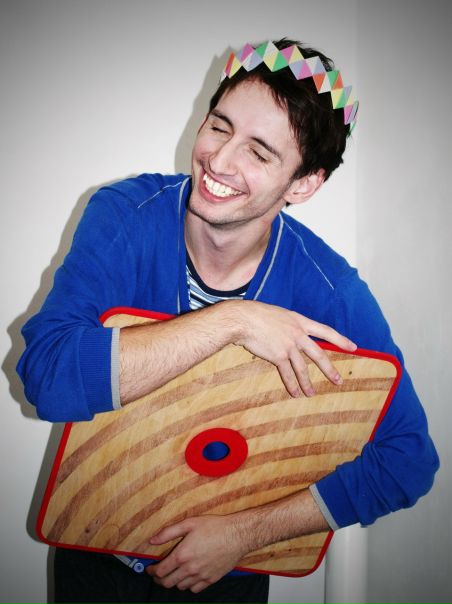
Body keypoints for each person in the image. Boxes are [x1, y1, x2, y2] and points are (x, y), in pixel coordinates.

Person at [17, 38, 439, 604]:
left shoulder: (331, 290)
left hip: (225, 578)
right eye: (220, 127)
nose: (218, 160)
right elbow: (47, 377)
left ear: (303, 183)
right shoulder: (124, 215)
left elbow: (408, 459)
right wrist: (233, 321)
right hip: (95, 557)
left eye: (259, 153)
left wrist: (244, 534)